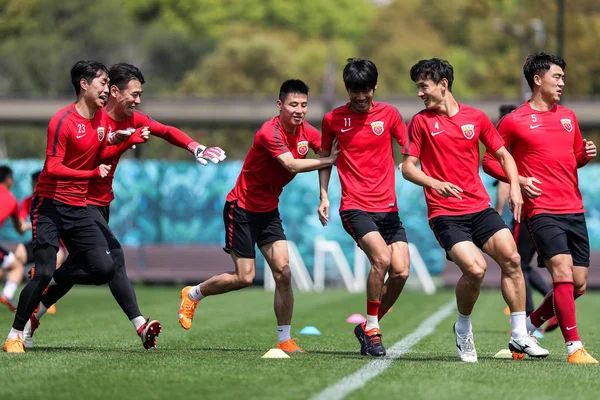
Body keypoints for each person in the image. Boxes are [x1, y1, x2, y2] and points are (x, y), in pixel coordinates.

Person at [23, 63, 226, 350]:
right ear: (114, 91)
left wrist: (196, 147)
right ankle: (140, 325)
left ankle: (36, 307)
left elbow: (165, 130)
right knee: (113, 261)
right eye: (135, 93)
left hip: (101, 204)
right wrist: (119, 141)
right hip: (79, 204)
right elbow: (83, 158)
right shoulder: (94, 119)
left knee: (88, 265)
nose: (138, 100)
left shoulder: (132, 119)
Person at [402, 58, 548, 362]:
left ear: (442, 85)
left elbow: (504, 156)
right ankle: (463, 329)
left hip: (479, 208)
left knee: (513, 258)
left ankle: (520, 336)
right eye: (418, 87)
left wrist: (516, 187)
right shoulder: (420, 122)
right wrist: (434, 183)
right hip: (445, 212)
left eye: (423, 86)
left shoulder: (476, 118)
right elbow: (407, 168)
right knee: (476, 269)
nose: (419, 93)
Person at [178, 79, 339, 353]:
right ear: (280, 105)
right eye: (293, 104)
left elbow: (325, 152)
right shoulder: (269, 132)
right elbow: (292, 163)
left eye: (303, 105)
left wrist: (324, 196)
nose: (299, 110)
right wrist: (328, 160)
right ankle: (192, 294)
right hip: (241, 209)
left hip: (268, 211)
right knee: (244, 278)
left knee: (284, 273)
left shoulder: (306, 131)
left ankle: (284, 339)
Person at [3, 60, 137, 353]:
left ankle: (49, 283)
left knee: (104, 268)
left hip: (79, 207)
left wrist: (125, 141)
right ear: (84, 84)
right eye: (103, 83)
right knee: (43, 272)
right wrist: (91, 173)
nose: (107, 90)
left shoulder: (102, 119)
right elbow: (52, 168)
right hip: (49, 206)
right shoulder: (61, 120)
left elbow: (101, 151)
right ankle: (14, 334)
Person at [482, 52, 598, 364]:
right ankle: (574, 347)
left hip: (574, 207)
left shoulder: (568, 117)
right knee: (560, 273)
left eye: (562, 77)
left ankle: (527, 331)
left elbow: (572, 160)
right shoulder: (514, 120)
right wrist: (517, 179)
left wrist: (584, 155)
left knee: (577, 285)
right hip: (542, 210)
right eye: (556, 77)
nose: (562, 82)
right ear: (538, 80)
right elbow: (490, 160)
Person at [317, 58, 410, 357]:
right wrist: (324, 196)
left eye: (365, 91)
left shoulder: (390, 114)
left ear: (375, 87)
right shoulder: (332, 119)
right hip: (354, 207)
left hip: (389, 209)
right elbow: (324, 158)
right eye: (353, 91)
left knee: (401, 272)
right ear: (347, 89)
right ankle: (373, 330)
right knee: (381, 260)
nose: (359, 98)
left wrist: (413, 162)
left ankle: (369, 326)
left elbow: (411, 145)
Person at [11, 170, 66, 315]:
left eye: (38, 185)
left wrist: (33, 224)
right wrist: (23, 226)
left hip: (54, 245)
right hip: (35, 242)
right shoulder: (27, 201)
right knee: (16, 256)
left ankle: (48, 300)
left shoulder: (55, 201)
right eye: (33, 185)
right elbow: (21, 227)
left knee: (58, 257)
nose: (35, 189)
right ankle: (9, 294)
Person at [0, 166, 28, 311]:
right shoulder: (11, 200)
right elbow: (20, 228)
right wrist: (31, 225)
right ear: (9, 180)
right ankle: (7, 294)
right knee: (17, 266)